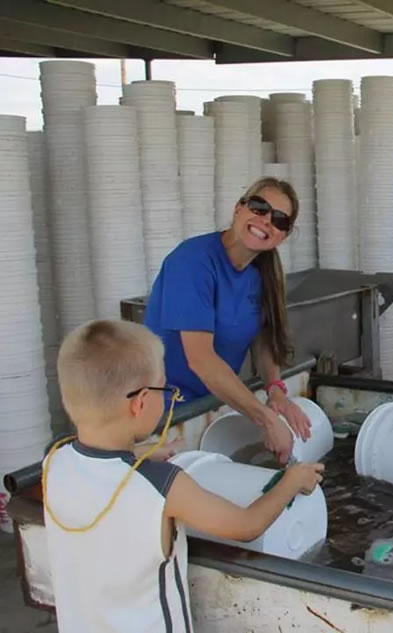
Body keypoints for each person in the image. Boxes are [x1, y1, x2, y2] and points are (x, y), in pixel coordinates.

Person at [43, 320, 323, 633]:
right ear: (140, 403)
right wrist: (291, 481)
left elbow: (99, 469)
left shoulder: (54, 461)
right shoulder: (163, 486)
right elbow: (246, 525)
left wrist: (141, 451)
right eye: (165, 388)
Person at [144, 177, 309, 463]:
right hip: (165, 414)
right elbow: (201, 359)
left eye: (280, 220)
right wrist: (267, 420)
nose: (267, 220)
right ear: (239, 208)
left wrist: (275, 389)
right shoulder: (192, 262)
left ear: (283, 235)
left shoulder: (261, 273)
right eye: (260, 207)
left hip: (209, 406)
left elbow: (262, 338)